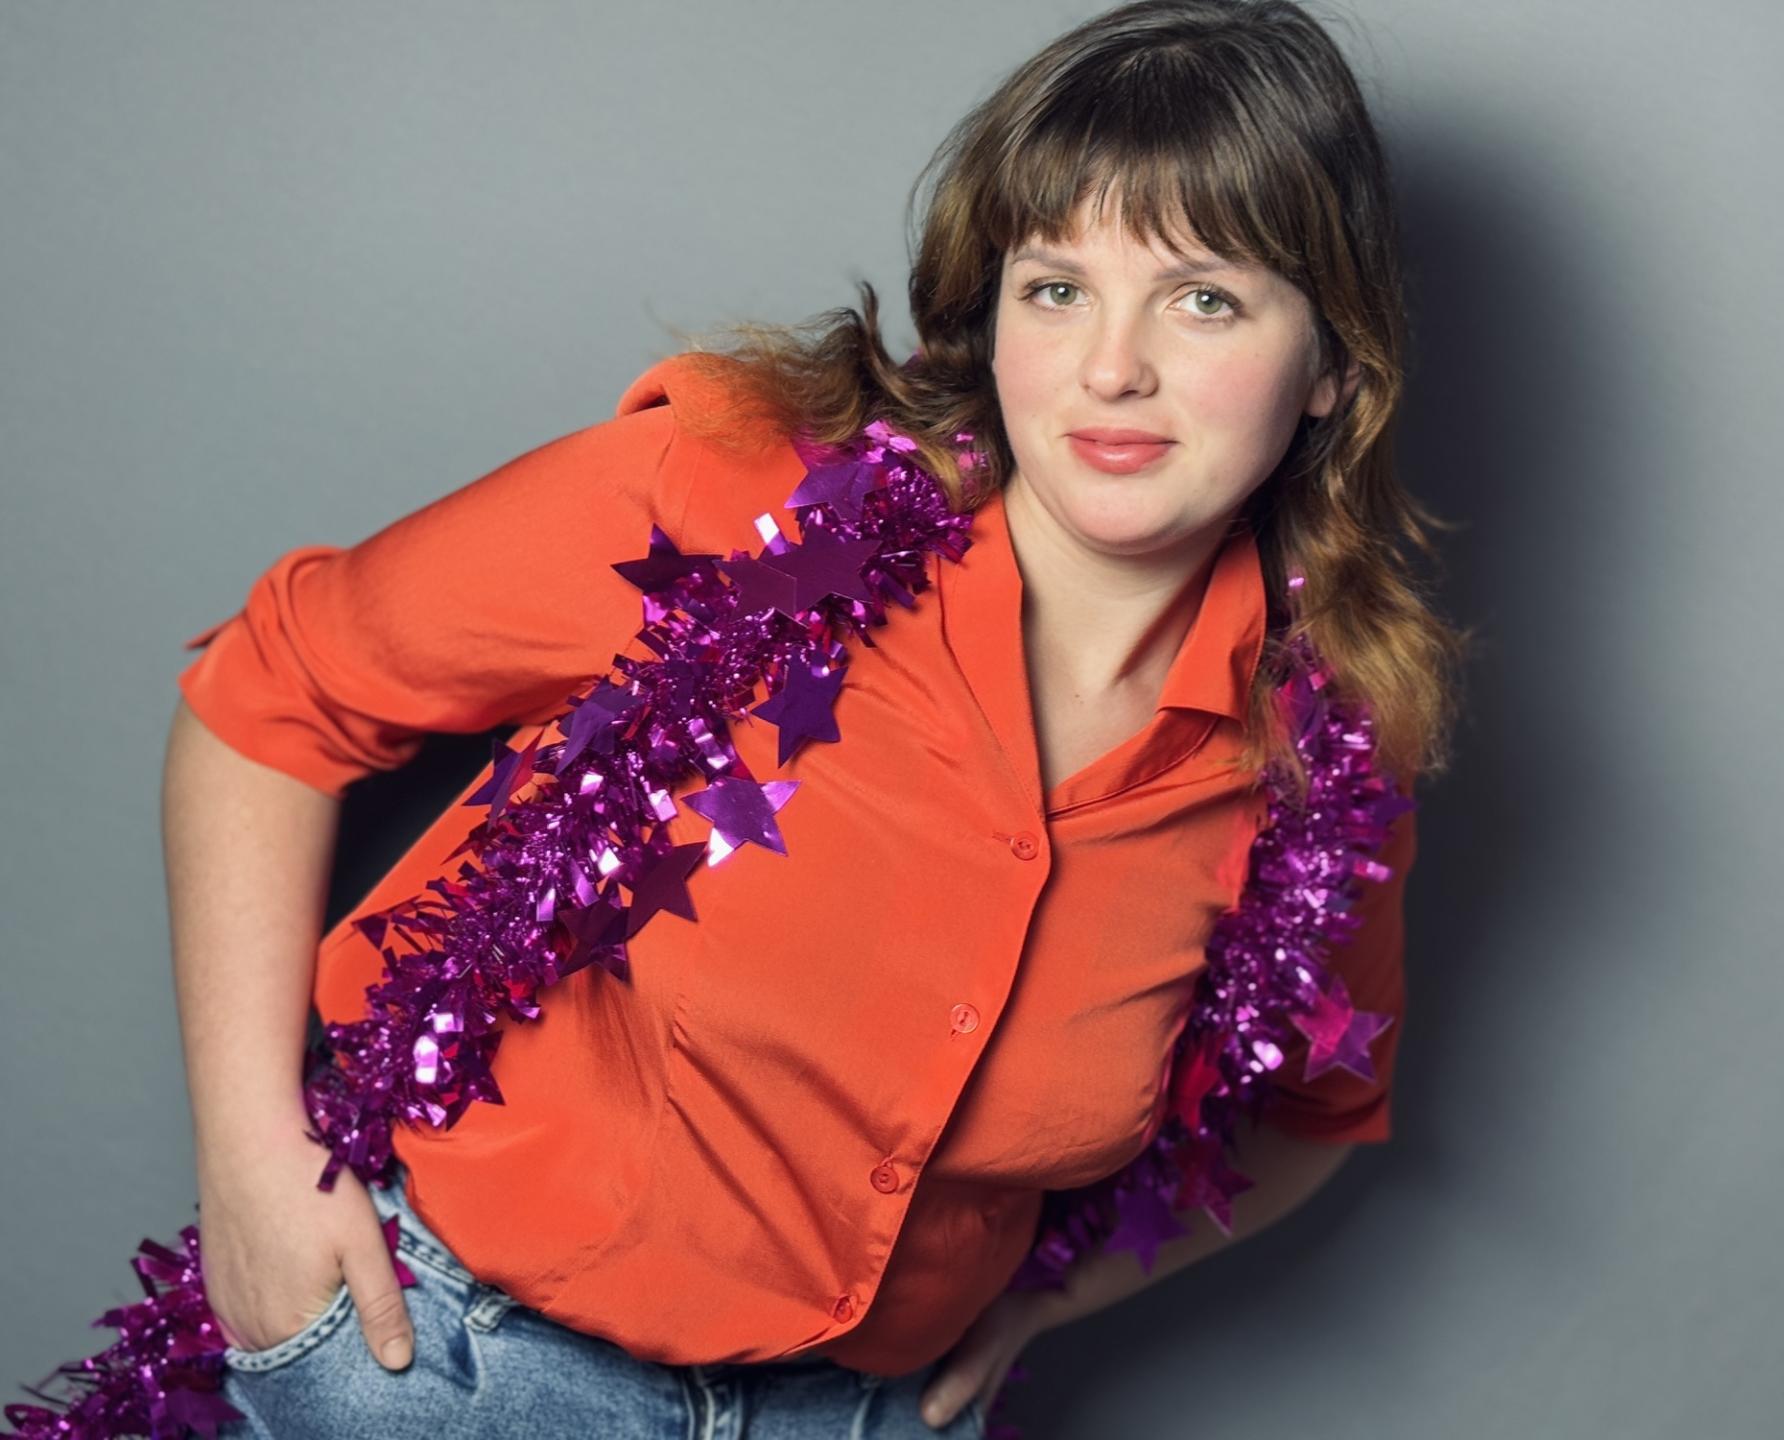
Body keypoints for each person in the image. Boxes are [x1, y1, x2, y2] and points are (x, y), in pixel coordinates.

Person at [66, 2, 1465, 1437]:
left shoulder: (1318, 762)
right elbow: (274, 687)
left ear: (1334, 368)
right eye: (1057, 288)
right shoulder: (736, 506)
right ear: (990, 320)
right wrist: (250, 1156)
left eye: (1204, 299)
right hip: (454, 1370)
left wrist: (1044, 1297)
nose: (1113, 367)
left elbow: (1317, 1111)